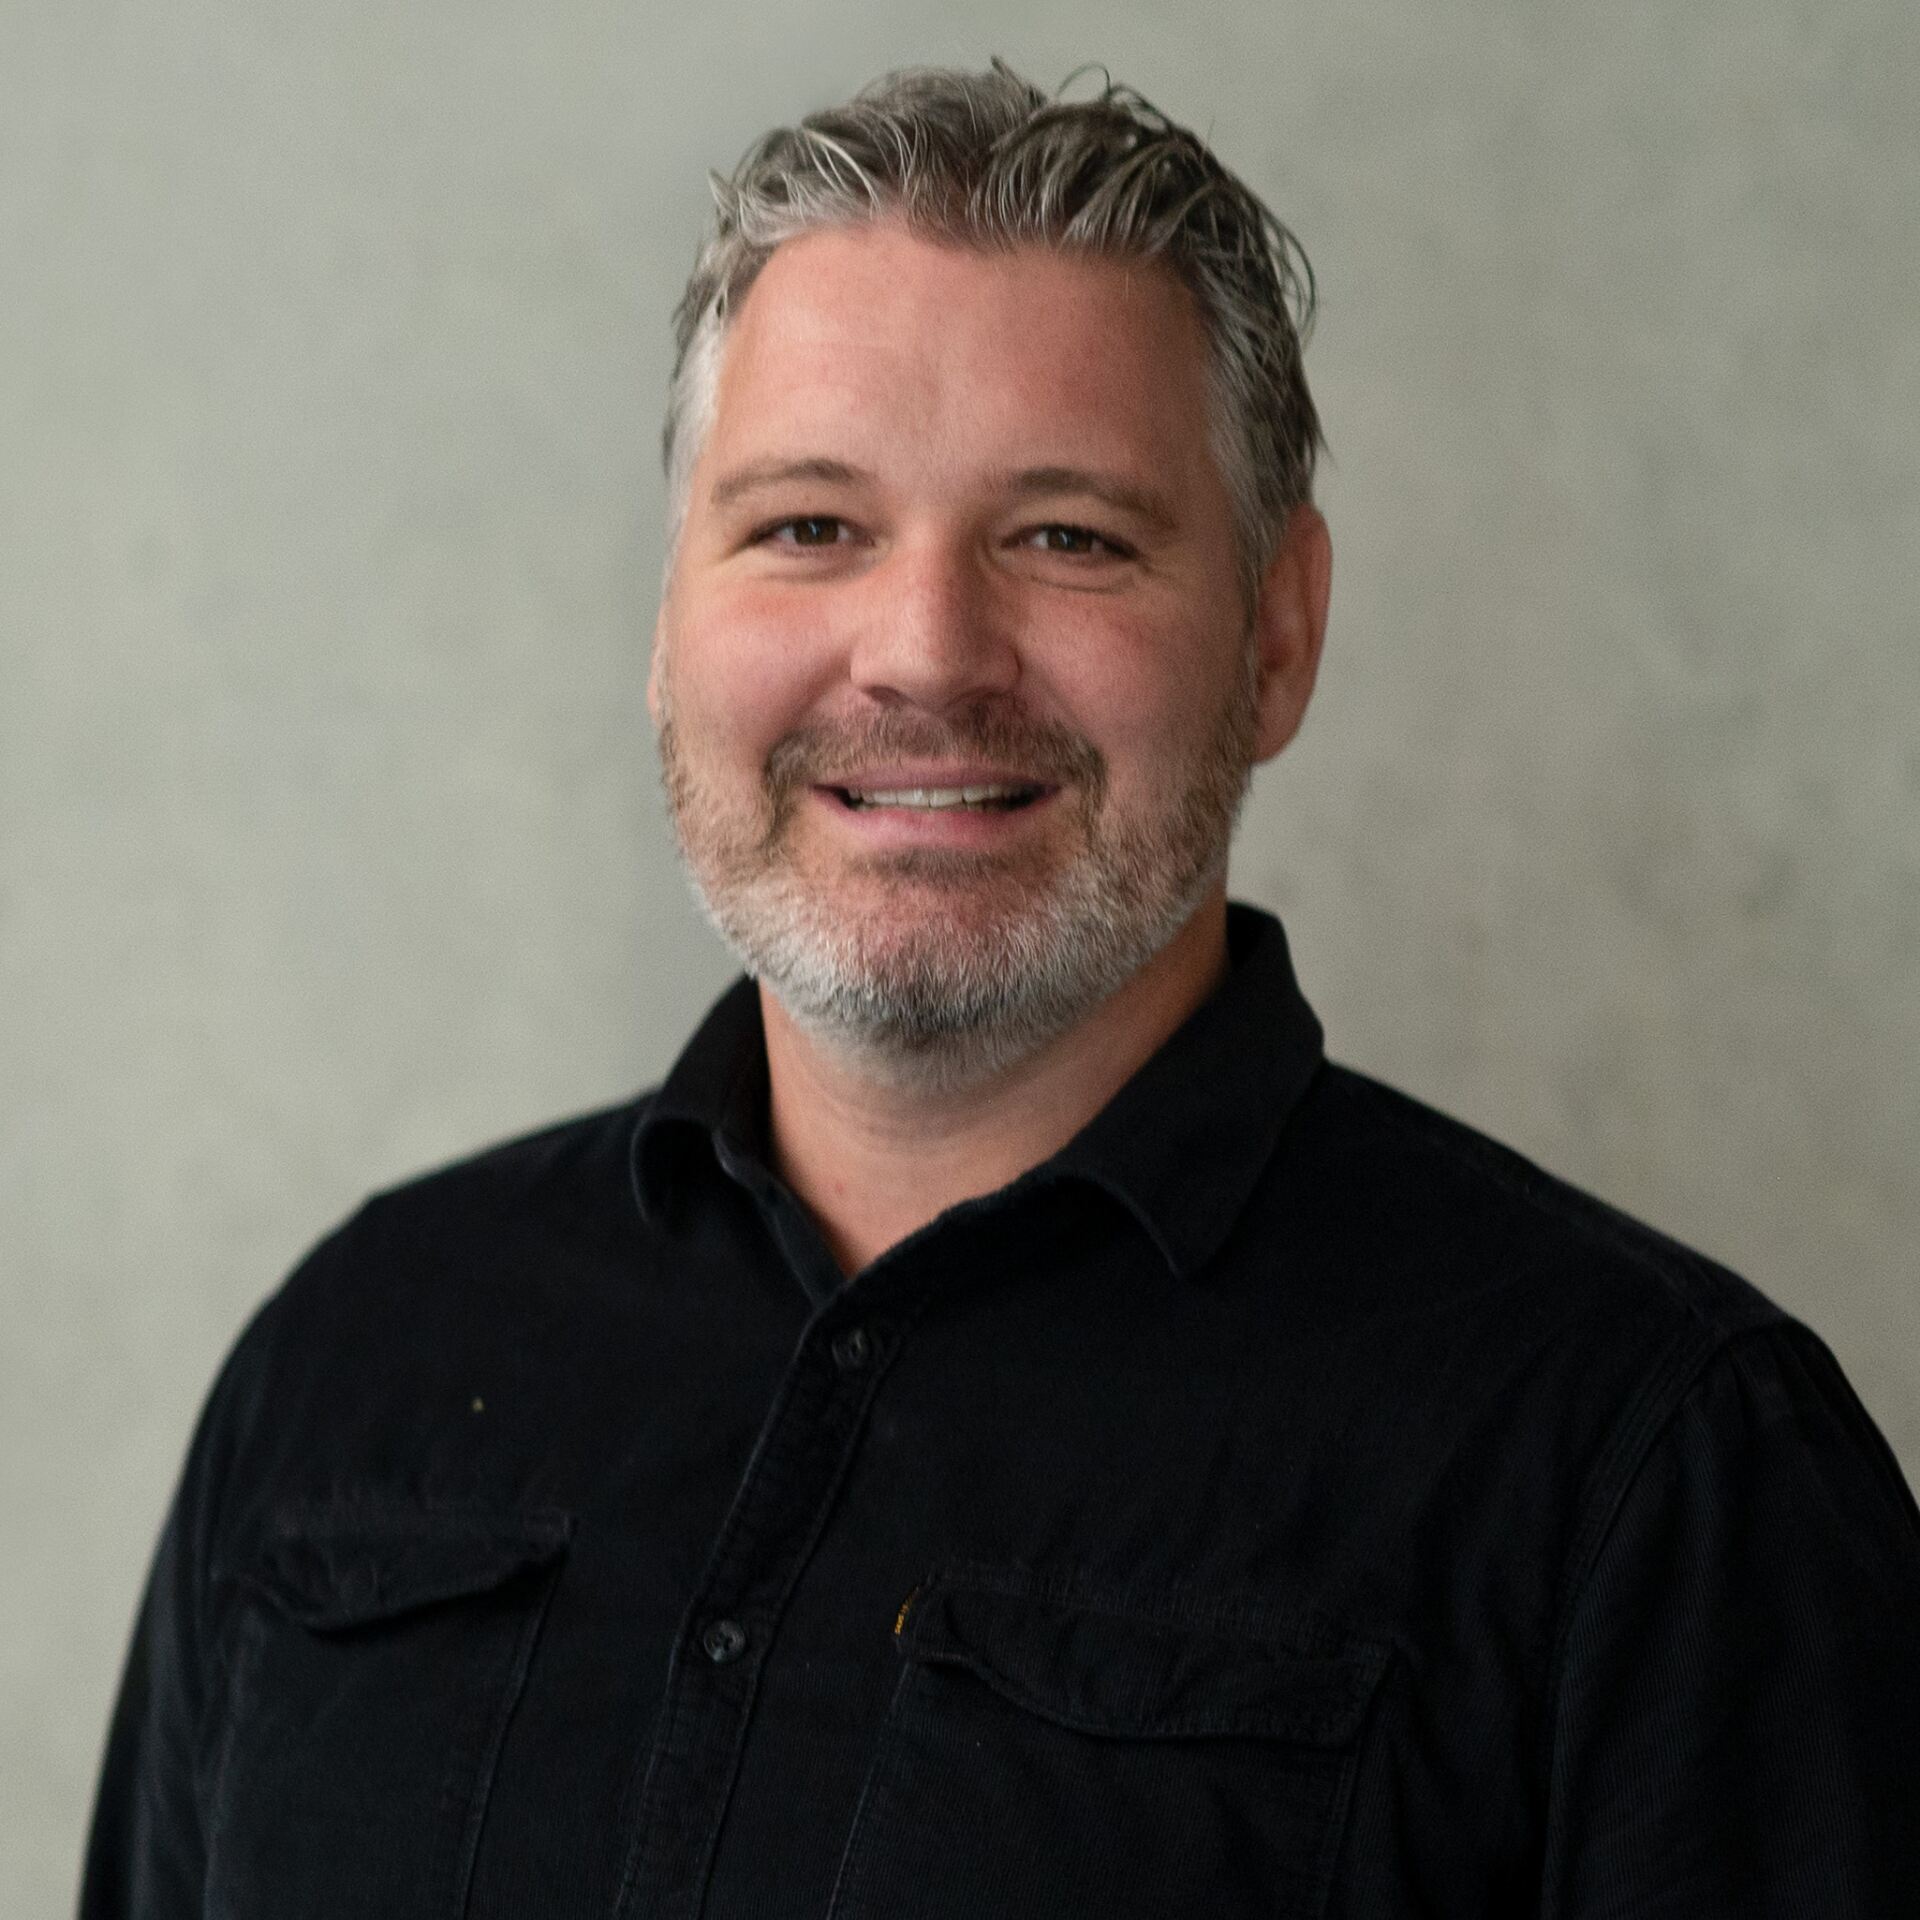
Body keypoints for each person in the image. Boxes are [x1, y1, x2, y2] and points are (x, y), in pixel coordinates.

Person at [81, 60, 1920, 1919]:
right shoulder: (351, 1370)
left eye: (1070, 537)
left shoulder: (1658, 1485)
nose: (926, 653)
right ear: (668, 626)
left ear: (1276, 638)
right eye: (807, 525)